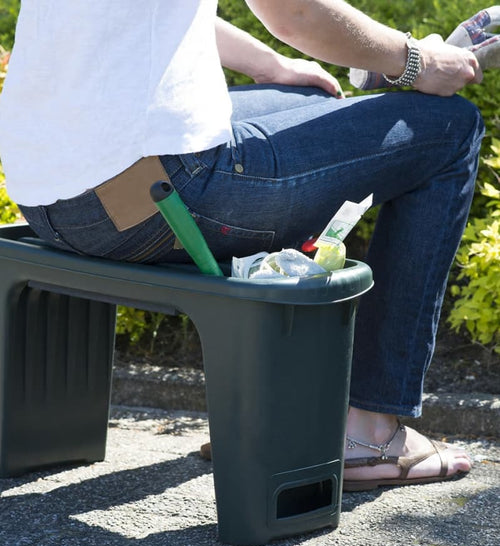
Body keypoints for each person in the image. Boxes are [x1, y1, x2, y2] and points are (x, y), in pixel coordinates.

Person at [0, 1, 485, 491]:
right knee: (450, 128)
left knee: (317, 101)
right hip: (158, 197)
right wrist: (416, 61)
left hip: (47, 198)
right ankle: (372, 433)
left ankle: (277, 412)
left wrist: (268, 66)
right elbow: (296, 13)